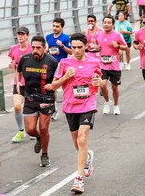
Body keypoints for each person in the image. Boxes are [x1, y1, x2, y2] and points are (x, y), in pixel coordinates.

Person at [49, 33, 102, 194]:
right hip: (70, 106)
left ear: (85, 46)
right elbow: (53, 86)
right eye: (74, 47)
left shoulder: (94, 62)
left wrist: (98, 82)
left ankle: (78, 179)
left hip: (88, 104)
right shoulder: (64, 63)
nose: (77, 50)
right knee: (77, 143)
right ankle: (87, 158)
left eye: (80, 47)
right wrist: (65, 77)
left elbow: (100, 81)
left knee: (82, 138)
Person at [17, 35, 58, 167]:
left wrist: (54, 86)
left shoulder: (52, 61)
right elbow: (18, 71)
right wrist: (18, 82)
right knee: (29, 130)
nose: (35, 50)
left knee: (44, 127)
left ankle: (45, 155)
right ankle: (39, 138)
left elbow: (58, 78)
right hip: (30, 98)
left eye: (38, 48)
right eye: (33, 47)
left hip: (46, 99)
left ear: (44, 48)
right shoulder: (25, 59)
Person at [95, 15, 128, 115]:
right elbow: (96, 48)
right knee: (102, 84)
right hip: (102, 65)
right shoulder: (98, 35)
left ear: (113, 24)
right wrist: (95, 47)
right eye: (105, 22)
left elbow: (126, 47)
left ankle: (116, 105)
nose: (106, 24)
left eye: (109, 22)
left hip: (114, 65)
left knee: (114, 87)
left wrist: (117, 46)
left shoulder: (117, 35)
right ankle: (107, 101)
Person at [46, 17, 71, 121]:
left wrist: (62, 46)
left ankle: (69, 106)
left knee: (66, 87)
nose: (55, 28)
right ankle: (54, 109)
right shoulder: (48, 37)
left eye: (57, 26)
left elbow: (70, 52)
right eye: (54, 26)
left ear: (62, 27)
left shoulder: (65, 38)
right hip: (52, 65)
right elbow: (48, 49)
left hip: (62, 65)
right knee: (53, 87)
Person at [8, 27, 31, 143]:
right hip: (18, 82)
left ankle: (32, 129)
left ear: (27, 36)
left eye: (23, 34)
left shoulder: (33, 49)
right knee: (17, 106)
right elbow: (13, 60)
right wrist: (12, 64)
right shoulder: (13, 49)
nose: (20, 36)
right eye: (19, 34)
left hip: (31, 83)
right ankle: (21, 130)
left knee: (31, 108)